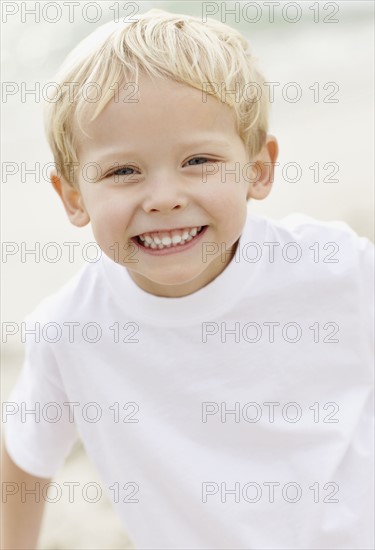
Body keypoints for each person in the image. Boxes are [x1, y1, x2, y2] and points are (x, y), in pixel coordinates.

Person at [2, 9, 373, 550]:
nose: (164, 197)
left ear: (258, 169)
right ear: (74, 197)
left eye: (198, 160)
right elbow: (25, 458)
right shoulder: (72, 332)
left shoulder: (336, 269)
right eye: (123, 171)